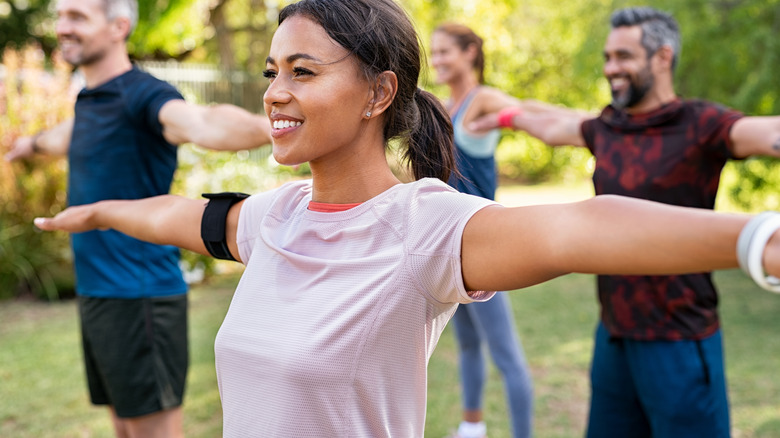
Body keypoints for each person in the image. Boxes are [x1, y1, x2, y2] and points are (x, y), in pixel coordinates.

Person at [31, 0, 780, 436]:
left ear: (377, 93)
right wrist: (103, 210)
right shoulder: (273, 219)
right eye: (270, 72)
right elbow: (181, 216)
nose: (274, 93)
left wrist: (756, 237)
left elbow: (580, 228)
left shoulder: (422, 227)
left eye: (302, 71)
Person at [469, 6, 780, 438]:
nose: (611, 68)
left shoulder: (701, 124)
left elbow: (768, 133)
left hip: (679, 341)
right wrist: (503, 117)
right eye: (607, 57)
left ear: (662, 57)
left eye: (623, 56)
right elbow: (552, 123)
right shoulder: (607, 126)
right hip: (613, 337)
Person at [4, 0, 271, 437]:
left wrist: (271, 127)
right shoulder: (92, 101)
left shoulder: (144, 95)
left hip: (140, 296)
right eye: (61, 15)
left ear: (119, 26)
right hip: (99, 295)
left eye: (77, 17)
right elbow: (64, 137)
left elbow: (201, 122)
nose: (62, 27)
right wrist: (29, 145)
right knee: (124, 427)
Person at [430, 23, 532, 438]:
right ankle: (472, 428)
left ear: (470, 52)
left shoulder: (483, 99)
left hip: (485, 246)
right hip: (450, 248)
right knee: (469, 345)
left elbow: (529, 112)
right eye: (433, 53)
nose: (436, 60)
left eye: (444, 52)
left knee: (506, 354)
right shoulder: (443, 105)